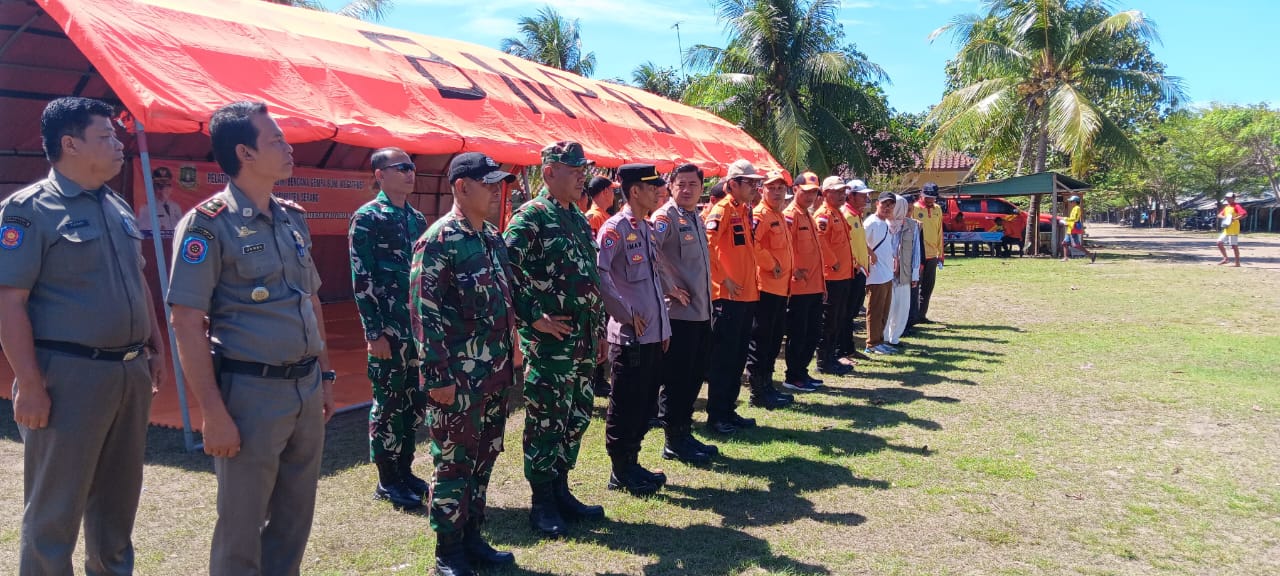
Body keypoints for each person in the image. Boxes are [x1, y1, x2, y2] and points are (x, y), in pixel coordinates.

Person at [167, 102, 336, 576]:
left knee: (293, 518)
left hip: (305, 387)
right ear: (245, 152)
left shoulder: (291, 218)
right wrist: (212, 412)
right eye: (276, 140)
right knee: (241, 527)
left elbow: (311, 301)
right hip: (251, 393)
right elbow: (186, 321)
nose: (288, 147)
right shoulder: (207, 224)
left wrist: (325, 376)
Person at [0, 96, 165, 576]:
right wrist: (31, 384)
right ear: (70, 144)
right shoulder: (29, 210)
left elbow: (138, 280)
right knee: (55, 511)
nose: (118, 145)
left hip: (128, 374)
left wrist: (154, 346)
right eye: (106, 136)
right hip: (68, 377)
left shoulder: (115, 206)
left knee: (118, 506)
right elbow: (8, 302)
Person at [411, 152, 519, 576]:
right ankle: (448, 550)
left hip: (494, 373)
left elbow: (504, 301)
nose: (496, 191)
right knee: (454, 463)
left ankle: (472, 536)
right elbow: (425, 314)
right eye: (487, 183)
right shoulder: (438, 241)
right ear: (461, 186)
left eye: (497, 183)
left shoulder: (491, 238)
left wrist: (513, 349)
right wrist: (437, 377)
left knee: (484, 457)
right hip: (457, 380)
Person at [503, 141, 606, 538]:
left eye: (583, 169)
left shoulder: (576, 217)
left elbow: (589, 278)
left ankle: (562, 490)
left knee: (576, 415)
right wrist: (534, 316)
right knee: (547, 418)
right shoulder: (531, 216)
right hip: (551, 344)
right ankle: (542, 501)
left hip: (583, 338)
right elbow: (504, 269)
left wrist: (598, 331)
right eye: (574, 170)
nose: (582, 176)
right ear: (549, 172)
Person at [348, 147, 430, 510]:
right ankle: (387, 479)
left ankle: (404, 470)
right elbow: (361, 277)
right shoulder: (367, 217)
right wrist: (374, 332)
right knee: (388, 403)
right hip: (388, 332)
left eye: (412, 167)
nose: (410, 173)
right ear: (380, 175)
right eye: (402, 167)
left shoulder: (416, 218)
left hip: (414, 331)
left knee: (413, 402)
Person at [596, 163, 673, 495]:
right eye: (652, 187)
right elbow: (600, 275)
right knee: (626, 404)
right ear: (635, 191)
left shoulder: (646, 228)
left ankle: (633, 462)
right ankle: (620, 470)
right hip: (629, 338)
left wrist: (664, 327)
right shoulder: (614, 229)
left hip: (653, 334)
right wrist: (625, 314)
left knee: (644, 404)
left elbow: (653, 282)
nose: (658, 192)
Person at [652, 163, 718, 464]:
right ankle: (673, 440)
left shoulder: (696, 218)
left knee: (693, 377)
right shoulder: (665, 217)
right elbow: (649, 254)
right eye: (681, 184)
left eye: (693, 184)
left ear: (702, 188)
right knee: (677, 380)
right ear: (671, 186)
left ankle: (685, 432)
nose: (687, 189)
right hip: (679, 315)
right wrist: (669, 287)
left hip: (701, 311)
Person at [703, 159, 764, 434]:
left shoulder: (744, 210)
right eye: (749, 183)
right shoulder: (722, 209)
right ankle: (717, 415)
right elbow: (708, 246)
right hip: (728, 298)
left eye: (755, 183)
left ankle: (728, 410)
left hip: (746, 295)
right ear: (733, 184)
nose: (754, 187)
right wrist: (722, 278)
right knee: (724, 359)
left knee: (738, 357)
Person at [745, 169, 799, 405]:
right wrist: (771, 264)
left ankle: (768, 386)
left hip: (781, 288)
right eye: (772, 188)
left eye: (780, 188)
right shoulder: (760, 214)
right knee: (762, 340)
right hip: (765, 287)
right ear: (761, 190)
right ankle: (758, 391)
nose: (777, 192)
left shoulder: (778, 215)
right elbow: (752, 243)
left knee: (774, 340)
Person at [781, 172, 825, 392]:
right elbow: (785, 247)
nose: (810, 196)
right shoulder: (790, 216)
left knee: (812, 333)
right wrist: (794, 270)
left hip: (814, 286)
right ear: (795, 189)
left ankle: (802, 371)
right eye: (806, 192)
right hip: (798, 288)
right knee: (798, 334)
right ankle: (793, 376)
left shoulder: (808, 215)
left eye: (814, 193)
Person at [814, 176, 854, 376]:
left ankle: (831, 358)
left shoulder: (838, 213)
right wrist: (834, 262)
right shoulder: (823, 215)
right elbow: (820, 240)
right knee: (828, 321)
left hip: (843, 275)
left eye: (843, 191)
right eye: (837, 191)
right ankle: (824, 361)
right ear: (825, 193)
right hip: (831, 276)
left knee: (837, 319)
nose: (842, 195)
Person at [840, 180, 873, 361]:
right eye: (862, 195)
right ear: (851, 196)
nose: (866, 198)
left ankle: (848, 348)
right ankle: (841, 351)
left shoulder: (856, 215)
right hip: (851, 271)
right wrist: (855, 264)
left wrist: (869, 254)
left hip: (860, 271)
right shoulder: (846, 215)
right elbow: (843, 245)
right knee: (844, 313)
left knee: (851, 313)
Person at [884, 194, 920, 348]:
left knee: (902, 307)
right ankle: (884, 338)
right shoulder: (882, 224)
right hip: (886, 273)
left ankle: (895, 338)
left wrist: (915, 273)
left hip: (904, 272)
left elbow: (916, 250)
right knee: (887, 306)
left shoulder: (912, 225)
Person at [863, 194, 897, 355]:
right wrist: (870, 253)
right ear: (877, 204)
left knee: (884, 310)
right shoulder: (871, 222)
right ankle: (872, 343)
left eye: (891, 205)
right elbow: (859, 241)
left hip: (887, 272)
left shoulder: (886, 223)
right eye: (884, 204)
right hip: (876, 273)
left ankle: (879, 340)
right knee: (875, 310)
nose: (887, 207)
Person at [910, 183, 944, 325]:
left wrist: (941, 253)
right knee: (915, 286)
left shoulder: (938, 209)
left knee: (928, 287)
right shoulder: (914, 208)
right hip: (918, 255)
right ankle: (913, 316)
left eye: (933, 197)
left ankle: (922, 315)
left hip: (932, 255)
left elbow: (939, 231)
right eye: (928, 197)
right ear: (921, 194)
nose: (930, 200)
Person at [135, 166, 184, 235]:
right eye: (160, 186)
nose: (164, 189)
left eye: (168, 186)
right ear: (154, 188)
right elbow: (143, 232)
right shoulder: (147, 208)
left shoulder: (175, 207)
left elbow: (182, 228)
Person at [1060, 195, 1096, 263]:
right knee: (1064, 243)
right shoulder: (1074, 208)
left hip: (1073, 228)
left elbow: (1075, 219)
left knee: (1075, 245)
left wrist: (1066, 219)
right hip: (1070, 228)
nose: (1070, 202)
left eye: (1071, 201)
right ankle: (1065, 258)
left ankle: (1091, 255)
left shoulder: (1077, 208)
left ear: (1075, 202)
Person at [1217, 192, 1247, 267]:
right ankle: (1226, 258)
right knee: (1219, 242)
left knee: (1234, 246)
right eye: (1227, 198)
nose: (1228, 199)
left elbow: (1244, 214)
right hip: (1227, 228)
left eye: (1230, 198)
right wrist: (1225, 217)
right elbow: (1219, 215)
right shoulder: (1227, 207)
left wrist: (1234, 219)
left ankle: (1237, 263)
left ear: (1233, 198)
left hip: (1234, 229)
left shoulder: (1236, 206)